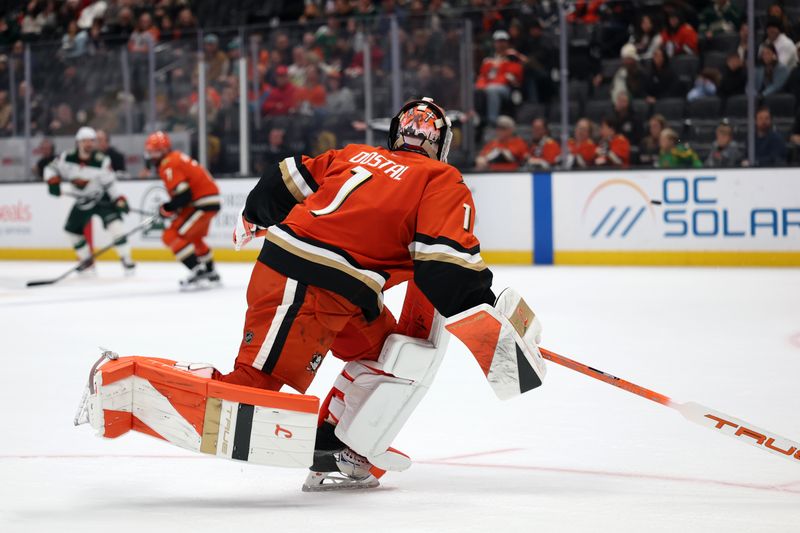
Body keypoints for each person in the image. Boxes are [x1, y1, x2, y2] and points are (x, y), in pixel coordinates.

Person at [221, 97, 542, 490]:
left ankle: (333, 448)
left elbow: (283, 179)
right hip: (306, 279)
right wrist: (484, 309)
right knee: (251, 390)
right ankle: (158, 385)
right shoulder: (440, 178)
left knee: (389, 352)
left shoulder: (355, 154)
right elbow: (443, 265)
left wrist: (253, 216)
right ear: (441, 145)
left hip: (341, 287)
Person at [44, 127, 135, 275]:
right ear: (78, 142)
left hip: (101, 199)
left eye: (91, 141)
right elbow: (50, 169)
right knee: (71, 231)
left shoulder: (102, 161)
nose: (88, 144)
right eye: (85, 141)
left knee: (116, 227)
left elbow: (110, 184)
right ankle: (87, 261)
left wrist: (118, 199)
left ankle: (127, 260)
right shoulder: (66, 157)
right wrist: (52, 181)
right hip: (81, 202)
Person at [144, 131, 222, 289]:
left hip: (201, 203)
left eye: (155, 151)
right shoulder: (176, 157)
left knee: (170, 235)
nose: (152, 155)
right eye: (150, 151)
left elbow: (183, 195)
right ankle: (210, 271)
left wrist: (167, 207)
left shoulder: (168, 164)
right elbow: (185, 195)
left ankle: (197, 270)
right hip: (206, 201)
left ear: (164, 150)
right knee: (195, 238)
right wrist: (172, 208)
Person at [474, 30, 524, 126]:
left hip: (507, 89)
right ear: (494, 43)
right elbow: (483, 76)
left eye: (503, 41)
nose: (501, 44)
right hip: (489, 86)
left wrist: (491, 83)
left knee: (492, 89)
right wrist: (481, 86)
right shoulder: (489, 60)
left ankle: (492, 121)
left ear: (507, 43)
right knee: (476, 89)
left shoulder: (512, 57)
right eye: (498, 41)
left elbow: (513, 75)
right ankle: (478, 119)